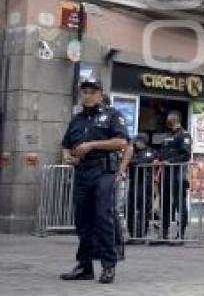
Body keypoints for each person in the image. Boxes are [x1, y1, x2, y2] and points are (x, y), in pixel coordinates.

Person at [59, 78, 129, 284]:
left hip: (104, 171)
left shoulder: (112, 115)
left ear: (100, 94)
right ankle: (85, 266)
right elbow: (65, 144)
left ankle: (108, 266)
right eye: (85, 91)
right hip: (82, 172)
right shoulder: (77, 119)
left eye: (92, 91)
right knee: (82, 220)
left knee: (102, 217)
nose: (88, 95)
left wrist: (91, 145)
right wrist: (66, 156)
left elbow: (122, 141)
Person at [156, 111, 192, 241]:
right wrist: (158, 159)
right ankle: (164, 232)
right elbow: (162, 152)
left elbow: (186, 155)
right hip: (165, 174)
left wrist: (170, 162)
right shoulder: (167, 136)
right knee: (164, 203)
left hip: (177, 174)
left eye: (169, 118)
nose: (167, 120)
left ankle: (180, 233)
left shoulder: (184, 134)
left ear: (176, 119)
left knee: (179, 203)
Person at [126, 134, 155, 241]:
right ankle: (132, 233)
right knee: (130, 208)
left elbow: (144, 160)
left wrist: (133, 162)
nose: (136, 143)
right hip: (134, 183)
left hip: (145, 184)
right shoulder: (133, 151)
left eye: (138, 141)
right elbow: (129, 161)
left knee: (144, 209)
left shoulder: (150, 151)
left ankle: (142, 233)